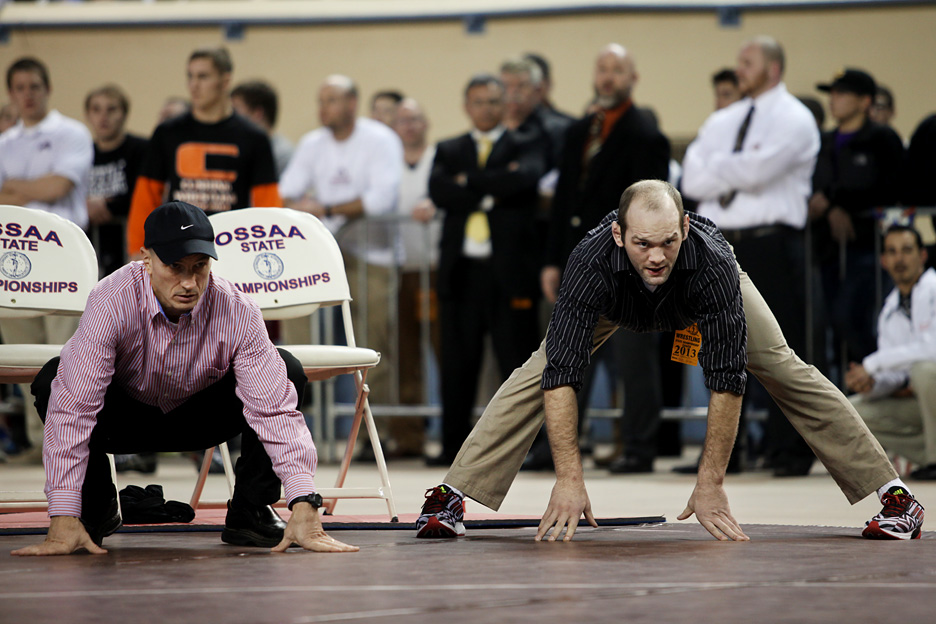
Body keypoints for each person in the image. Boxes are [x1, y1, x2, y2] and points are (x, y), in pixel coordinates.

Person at [415, 180, 924, 543]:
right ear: (619, 235)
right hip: (618, 299)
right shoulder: (589, 263)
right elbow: (561, 376)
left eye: (667, 242)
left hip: (697, 293)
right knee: (539, 369)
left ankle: (896, 496)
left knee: (785, 366)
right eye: (642, 244)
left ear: (685, 226)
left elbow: (726, 380)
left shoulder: (713, 264)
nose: (656, 257)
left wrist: (711, 482)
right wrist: (569, 476)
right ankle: (452, 494)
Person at [11, 201, 358, 556]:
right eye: (174, 267)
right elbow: (74, 410)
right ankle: (93, 509)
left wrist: (305, 503)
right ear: (146, 259)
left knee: (285, 369)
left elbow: (274, 411)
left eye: (199, 266)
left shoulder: (238, 309)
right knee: (54, 378)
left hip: (201, 419)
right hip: (123, 421)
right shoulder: (110, 301)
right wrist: (63, 513)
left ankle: (251, 510)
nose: (189, 283)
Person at [681, 36, 820, 477]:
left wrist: (722, 165)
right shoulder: (725, 118)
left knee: (779, 351)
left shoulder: (795, 117)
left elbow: (761, 171)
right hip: (721, 243)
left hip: (772, 242)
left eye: (748, 61)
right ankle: (727, 453)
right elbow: (692, 178)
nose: (739, 68)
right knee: (718, 347)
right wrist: (739, 166)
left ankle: (788, 450)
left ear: (773, 68)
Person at [531, 44, 670, 474]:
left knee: (633, 357)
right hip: (579, 261)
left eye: (617, 70)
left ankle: (640, 446)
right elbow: (563, 202)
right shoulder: (580, 132)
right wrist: (553, 261)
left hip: (627, 263)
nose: (608, 77)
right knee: (567, 355)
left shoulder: (645, 133)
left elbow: (653, 207)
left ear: (633, 78)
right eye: (602, 69)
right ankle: (559, 447)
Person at [426, 73, 546, 466]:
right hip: (461, 273)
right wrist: (493, 191)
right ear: (467, 106)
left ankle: (528, 447)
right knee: (457, 365)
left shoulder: (526, 143)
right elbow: (440, 190)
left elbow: (524, 179)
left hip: (509, 272)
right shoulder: (449, 148)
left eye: (493, 101)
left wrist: (469, 184)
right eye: (478, 102)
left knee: (518, 363)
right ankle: (453, 448)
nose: (486, 109)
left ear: (505, 103)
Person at [279, 75, 402, 424]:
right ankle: (296, 425)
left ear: (352, 103)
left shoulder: (380, 139)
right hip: (319, 257)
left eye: (331, 100)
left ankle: (374, 433)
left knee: (374, 345)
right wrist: (312, 209)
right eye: (320, 101)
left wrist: (326, 208)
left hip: (371, 256)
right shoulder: (312, 143)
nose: (323, 109)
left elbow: (381, 200)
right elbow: (287, 191)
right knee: (299, 338)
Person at [0, 57, 93, 464]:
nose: (27, 94)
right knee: (22, 355)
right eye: (19, 87)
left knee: (66, 352)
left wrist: (14, 188)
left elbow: (57, 188)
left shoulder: (71, 133)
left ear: (47, 88)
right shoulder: (4, 142)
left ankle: (72, 437)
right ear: (11, 93)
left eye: (34, 86)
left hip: (61, 258)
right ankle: (41, 442)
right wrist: (32, 189)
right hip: (12, 260)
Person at [126, 46, 281, 258]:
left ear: (225, 81)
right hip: (178, 245)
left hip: (233, 247)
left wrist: (269, 250)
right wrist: (137, 248)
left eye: (203, 76)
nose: (194, 85)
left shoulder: (253, 137)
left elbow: (268, 203)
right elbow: (146, 194)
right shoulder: (168, 132)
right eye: (190, 76)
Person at [810, 68, 906, 367]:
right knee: (830, 322)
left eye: (842, 93)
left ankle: (871, 374)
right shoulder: (823, 141)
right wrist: (830, 209)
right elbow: (813, 187)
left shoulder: (881, 138)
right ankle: (848, 385)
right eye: (832, 93)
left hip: (866, 245)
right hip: (827, 247)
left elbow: (889, 188)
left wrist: (838, 202)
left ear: (865, 101)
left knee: (851, 316)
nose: (833, 99)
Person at [847, 225, 936, 480]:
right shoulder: (888, 311)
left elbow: (932, 349)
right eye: (892, 252)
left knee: (924, 371)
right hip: (921, 403)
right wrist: (871, 383)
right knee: (853, 410)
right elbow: (896, 375)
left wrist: (872, 365)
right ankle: (930, 456)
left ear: (922, 255)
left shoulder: (934, 288)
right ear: (883, 261)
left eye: (907, 250)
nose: (900, 259)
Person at [392, 98, 441, 449]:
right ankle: (408, 436)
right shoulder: (387, 163)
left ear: (426, 124)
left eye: (415, 119)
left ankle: (460, 433)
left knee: (443, 349)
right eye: (403, 120)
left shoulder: (439, 158)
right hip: (399, 269)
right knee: (403, 356)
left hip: (434, 268)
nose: (409, 126)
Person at [85, 84, 149, 276]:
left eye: (111, 109)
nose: (103, 117)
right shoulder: (82, 153)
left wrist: (107, 206)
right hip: (91, 246)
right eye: (96, 109)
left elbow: (142, 196)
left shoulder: (142, 149)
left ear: (124, 114)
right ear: (88, 115)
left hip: (130, 244)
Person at [231, 79, 295, 176]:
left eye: (235, 109)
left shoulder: (283, 155)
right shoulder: (237, 148)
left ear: (257, 114)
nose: (231, 115)